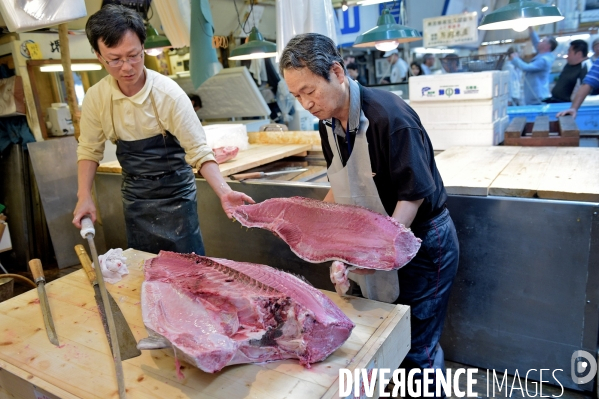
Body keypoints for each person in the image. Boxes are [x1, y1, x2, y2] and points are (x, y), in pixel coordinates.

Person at [280, 33, 459, 398]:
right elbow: (341, 184)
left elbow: (413, 197)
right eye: (296, 96)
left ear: (337, 72)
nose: (305, 104)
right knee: (388, 341)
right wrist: (323, 237)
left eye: (310, 91)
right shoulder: (327, 122)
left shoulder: (389, 117)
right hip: (379, 243)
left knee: (416, 350)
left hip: (423, 246)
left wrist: (376, 253)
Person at [72, 5, 254, 254]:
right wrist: (84, 195)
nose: (126, 67)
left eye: (134, 55)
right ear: (98, 56)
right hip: (136, 197)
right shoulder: (96, 97)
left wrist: (224, 191)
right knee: (145, 267)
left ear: (143, 48)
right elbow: (89, 150)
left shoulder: (168, 94)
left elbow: (199, 150)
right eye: (114, 59)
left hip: (176, 196)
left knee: (188, 270)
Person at [509, 27, 557, 105]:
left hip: (537, 98)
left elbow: (526, 68)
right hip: (534, 96)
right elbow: (536, 42)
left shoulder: (544, 60)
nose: (539, 42)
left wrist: (515, 59)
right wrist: (530, 29)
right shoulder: (543, 54)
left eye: (543, 41)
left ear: (547, 46)